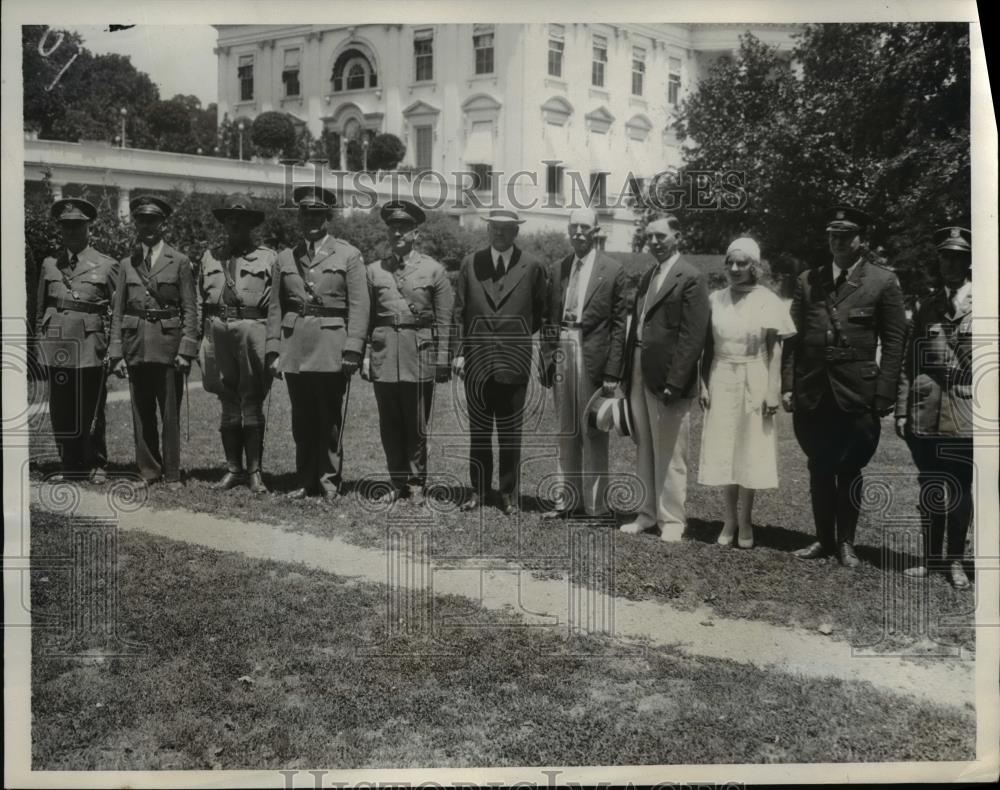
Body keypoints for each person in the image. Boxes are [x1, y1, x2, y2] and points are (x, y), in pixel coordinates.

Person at [781, 204, 907, 567]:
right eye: (832, 234)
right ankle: (823, 540)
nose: (836, 240)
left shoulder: (882, 281)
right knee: (819, 464)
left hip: (857, 391)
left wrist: (884, 393)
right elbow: (793, 339)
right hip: (814, 390)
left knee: (850, 466)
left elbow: (895, 342)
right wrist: (789, 384)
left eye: (845, 235)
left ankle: (847, 543)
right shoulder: (809, 280)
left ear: (861, 239)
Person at [265, 186, 368, 499]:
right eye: (306, 213)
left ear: (328, 217)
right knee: (301, 418)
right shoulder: (285, 257)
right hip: (295, 347)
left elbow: (360, 305)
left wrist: (353, 348)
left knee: (328, 417)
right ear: (299, 216)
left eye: (318, 214)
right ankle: (304, 478)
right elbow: (275, 308)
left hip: (331, 346)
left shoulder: (348, 255)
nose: (311, 219)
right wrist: (273, 349)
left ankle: (328, 478)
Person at [698, 237, 796, 548]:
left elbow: (775, 347)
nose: (735, 268)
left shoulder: (767, 299)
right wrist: (702, 383)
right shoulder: (715, 299)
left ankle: (746, 520)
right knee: (725, 445)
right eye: (731, 263)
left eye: (742, 263)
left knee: (750, 447)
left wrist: (772, 389)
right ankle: (728, 518)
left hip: (756, 372)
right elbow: (705, 346)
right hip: (722, 374)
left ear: (755, 266)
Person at [451, 208, 547, 516]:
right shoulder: (471, 263)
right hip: (476, 362)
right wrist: (459, 352)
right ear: (488, 229)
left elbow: (538, 313)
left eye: (506, 228)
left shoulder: (532, 266)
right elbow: (459, 312)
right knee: (479, 431)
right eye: (494, 227)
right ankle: (478, 491)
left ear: (516, 231)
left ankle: (508, 494)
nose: (499, 233)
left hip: (513, 363)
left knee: (510, 433)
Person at [620, 215, 710, 540]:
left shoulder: (691, 277)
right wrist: (625, 373)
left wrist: (676, 380)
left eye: (660, 236)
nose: (654, 242)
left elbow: (692, 336)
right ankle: (646, 513)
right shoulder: (648, 276)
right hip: (639, 369)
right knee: (645, 445)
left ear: (677, 235)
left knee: (671, 452)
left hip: (669, 378)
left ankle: (672, 520)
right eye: (649, 237)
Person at [895, 226, 973, 588]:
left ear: (969, 262)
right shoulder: (927, 305)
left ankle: (956, 561)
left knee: (958, 487)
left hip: (964, 414)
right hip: (925, 413)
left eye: (956, 257)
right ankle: (931, 559)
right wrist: (900, 409)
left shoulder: (985, 303)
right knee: (930, 486)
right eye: (944, 257)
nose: (949, 264)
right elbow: (910, 363)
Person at [363, 200, 453, 505]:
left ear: (416, 233)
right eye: (393, 227)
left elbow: (444, 320)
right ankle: (396, 479)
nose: (398, 232)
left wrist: (442, 360)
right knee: (389, 422)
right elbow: (366, 317)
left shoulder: (434, 270)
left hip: (419, 352)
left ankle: (416, 482)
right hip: (384, 352)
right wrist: (364, 355)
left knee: (416, 422)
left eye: (404, 228)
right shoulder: (374, 271)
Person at [539, 207, 628, 519]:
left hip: (593, 354)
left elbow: (620, 327)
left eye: (584, 228)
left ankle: (596, 506)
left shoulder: (613, 270)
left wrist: (613, 371)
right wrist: (547, 358)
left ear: (596, 231)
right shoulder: (558, 268)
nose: (578, 233)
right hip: (563, 346)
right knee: (566, 429)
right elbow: (547, 318)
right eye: (573, 227)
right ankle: (567, 501)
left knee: (593, 429)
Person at [108, 195, 199, 490]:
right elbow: (118, 311)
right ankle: (148, 471)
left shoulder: (180, 261)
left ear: (163, 224)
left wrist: (186, 350)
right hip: (136, 346)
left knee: (169, 414)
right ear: (136, 224)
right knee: (141, 413)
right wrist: (116, 353)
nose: (147, 226)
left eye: (153, 220)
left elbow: (190, 309)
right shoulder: (126, 264)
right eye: (141, 220)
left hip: (169, 347)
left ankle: (172, 473)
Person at [35, 198, 118, 483]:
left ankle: (95, 462)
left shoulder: (107, 265)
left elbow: (117, 311)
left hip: (89, 345)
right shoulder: (49, 264)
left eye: (76, 226)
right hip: (56, 343)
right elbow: (39, 309)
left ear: (87, 228)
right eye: (65, 226)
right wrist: (38, 345)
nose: (70, 231)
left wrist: (114, 347)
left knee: (90, 406)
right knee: (61, 407)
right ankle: (69, 462)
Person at [198, 194, 277, 494]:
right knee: (227, 399)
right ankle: (233, 470)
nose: (234, 223)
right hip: (218, 329)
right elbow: (199, 300)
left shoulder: (268, 258)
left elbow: (276, 306)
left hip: (252, 329)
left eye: (240, 219)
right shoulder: (210, 257)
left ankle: (255, 472)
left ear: (250, 225)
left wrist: (273, 345)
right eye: (229, 219)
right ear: (224, 223)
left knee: (252, 399)